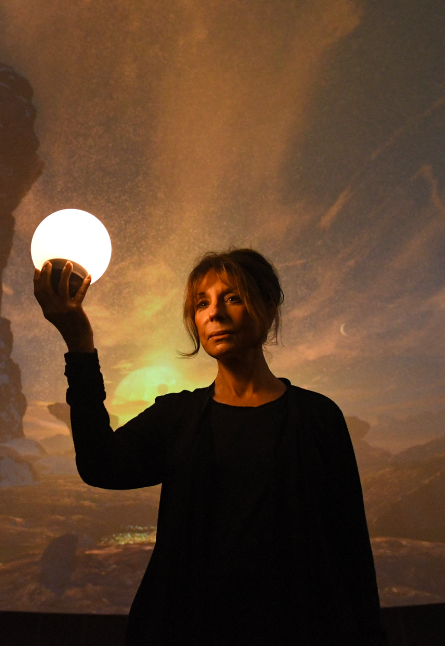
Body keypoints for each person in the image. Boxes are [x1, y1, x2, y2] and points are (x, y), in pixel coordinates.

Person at [33, 248, 387, 646]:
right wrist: (79, 344)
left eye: (232, 297)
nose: (214, 312)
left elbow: (351, 549)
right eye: (202, 303)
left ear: (269, 309)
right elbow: (100, 465)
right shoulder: (177, 417)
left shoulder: (318, 417)